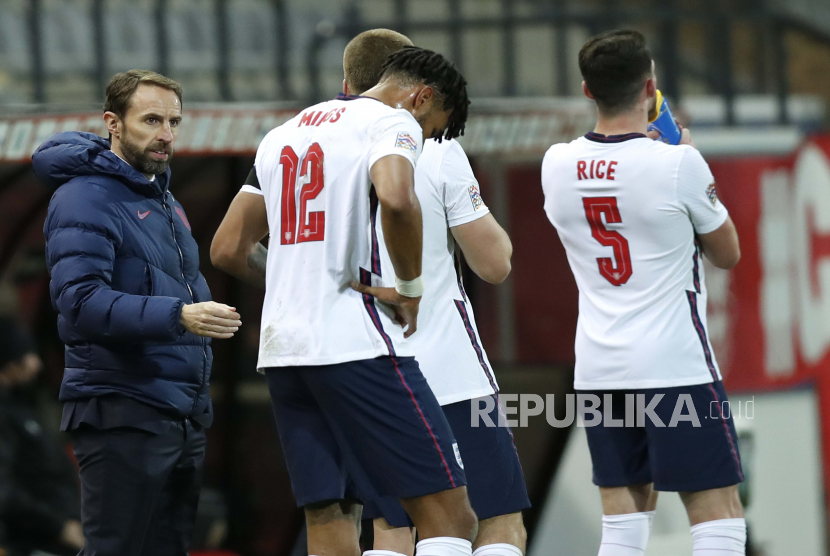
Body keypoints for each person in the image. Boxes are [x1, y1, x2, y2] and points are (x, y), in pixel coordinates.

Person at [211, 47, 477, 556]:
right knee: (450, 516)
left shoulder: (284, 132)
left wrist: (295, 278)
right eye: (431, 129)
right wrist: (411, 287)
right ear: (420, 98)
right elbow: (398, 198)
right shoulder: (390, 123)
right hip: (358, 345)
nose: (423, 141)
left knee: (330, 514)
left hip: (286, 353)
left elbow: (227, 247)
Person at [541, 30, 744, 556]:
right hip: (672, 361)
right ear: (650, 87)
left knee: (624, 518)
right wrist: (686, 156)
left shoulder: (556, 163)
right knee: (716, 512)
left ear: (587, 90)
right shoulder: (677, 163)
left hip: (600, 362)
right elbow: (727, 253)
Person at [32, 70, 242, 556]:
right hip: (121, 410)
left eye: (174, 121)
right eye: (151, 119)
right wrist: (180, 316)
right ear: (113, 123)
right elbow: (79, 302)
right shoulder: (86, 196)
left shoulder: (162, 197)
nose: (165, 134)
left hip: (177, 412)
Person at [339, 30, 530, 556]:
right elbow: (494, 264)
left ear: (346, 82)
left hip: (364, 370)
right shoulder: (435, 147)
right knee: (496, 522)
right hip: (446, 369)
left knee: (391, 530)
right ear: (416, 88)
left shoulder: (315, 143)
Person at [0, 316, 83, 556]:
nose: (37, 365)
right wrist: (59, 527)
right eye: (29, 355)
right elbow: (4, 491)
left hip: (62, 534)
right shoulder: (5, 415)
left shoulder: (18, 405)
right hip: (34, 542)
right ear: (9, 362)